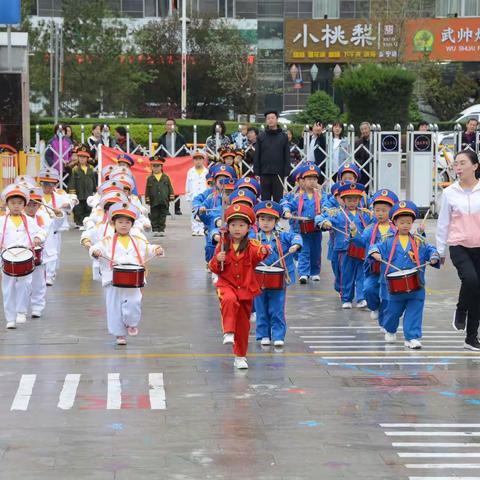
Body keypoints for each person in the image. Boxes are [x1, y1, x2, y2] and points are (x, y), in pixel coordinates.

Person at [90, 202, 164, 345]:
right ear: (114, 224)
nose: (124, 225)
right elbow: (94, 248)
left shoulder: (138, 240)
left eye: (127, 222)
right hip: (113, 278)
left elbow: (148, 248)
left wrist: (156, 249)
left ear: (132, 224)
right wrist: (95, 252)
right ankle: (119, 334)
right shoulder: (107, 240)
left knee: (134, 301)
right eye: (120, 222)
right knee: (114, 306)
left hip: (133, 278)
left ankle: (131, 322)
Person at [370, 201, 440, 349]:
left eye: (408, 222)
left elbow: (430, 249)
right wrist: (375, 253)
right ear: (395, 222)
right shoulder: (387, 241)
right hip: (395, 286)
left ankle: (411, 337)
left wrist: (434, 256)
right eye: (402, 222)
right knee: (392, 311)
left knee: (415, 310)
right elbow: (375, 247)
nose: (405, 225)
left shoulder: (418, 240)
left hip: (416, 283)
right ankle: (390, 329)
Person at [208, 203, 270, 369]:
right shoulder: (222, 245)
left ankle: (240, 356)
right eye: (233, 225)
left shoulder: (251, 245)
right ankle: (228, 331)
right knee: (228, 299)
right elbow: (213, 267)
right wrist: (217, 259)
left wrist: (264, 250)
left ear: (248, 228)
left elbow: (260, 253)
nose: (237, 229)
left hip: (245, 288)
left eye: (241, 225)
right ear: (227, 227)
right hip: (226, 284)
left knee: (243, 325)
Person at [436, 150, 480, 350]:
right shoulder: (449, 192)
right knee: (470, 281)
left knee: (477, 290)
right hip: (458, 244)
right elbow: (443, 223)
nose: (458, 168)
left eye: (462, 163)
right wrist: (440, 250)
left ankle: (471, 338)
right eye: (455, 164)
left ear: (475, 166)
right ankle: (461, 310)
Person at [316, 182, 373, 309]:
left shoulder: (365, 214)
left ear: (359, 200)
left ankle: (361, 298)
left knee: (361, 274)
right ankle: (346, 298)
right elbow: (319, 218)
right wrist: (324, 222)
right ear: (343, 200)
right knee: (346, 275)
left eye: (355, 199)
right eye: (349, 199)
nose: (352, 202)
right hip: (344, 250)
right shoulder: (336, 213)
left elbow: (376, 223)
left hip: (361, 249)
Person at [253, 201, 302, 347]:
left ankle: (278, 335)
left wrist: (295, 245)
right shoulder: (253, 237)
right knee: (261, 308)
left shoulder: (282, 235)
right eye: (262, 219)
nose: (266, 223)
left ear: (276, 221)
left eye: (270, 220)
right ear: (258, 220)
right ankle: (263, 334)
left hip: (278, 279)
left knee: (277, 308)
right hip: (258, 278)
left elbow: (296, 237)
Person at [0, 184, 46, 329]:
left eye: (20, 203)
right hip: (7, 258)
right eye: (13, 203)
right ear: (7, 204)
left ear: (24, 205)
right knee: (8, 288)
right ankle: (10, 318)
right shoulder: (2, 221)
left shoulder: (29, 220)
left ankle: (21, 311)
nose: (16, 206)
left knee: (25, 285)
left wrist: (38, 237)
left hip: (25, 259)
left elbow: (41, 232)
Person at [351, 189, 398, 328]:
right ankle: (374, 307)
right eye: (377, 210)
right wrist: (354, 232)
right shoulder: (370, 229)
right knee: (368, 290)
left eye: (384, 210)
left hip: (390, 270)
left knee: (387, 297)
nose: (380, 214)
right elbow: (361, 243)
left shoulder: (396, 229)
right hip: (373, 269)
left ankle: (385, 324)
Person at [24, 187, 64, 318]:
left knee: (39, 283)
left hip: (40, 256)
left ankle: (37, 307)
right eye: (28, 204)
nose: (31, 208)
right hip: (22, 256)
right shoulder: (19, 218)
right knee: (24, 284)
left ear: (38, 205)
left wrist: (58, 215)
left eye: (34, 205)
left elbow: (56, 226)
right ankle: (22, 309)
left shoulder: (45, 218)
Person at [283, 164, 324, 284]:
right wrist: (287, 211)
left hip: (316, 228)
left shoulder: (321, 196)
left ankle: (315, 272)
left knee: (316, 251)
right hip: (302, 228)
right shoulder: (298, 197)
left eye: (314, 179)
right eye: (309, 179)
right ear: (303, 181)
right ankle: (304, 273)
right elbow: (289, 204)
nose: (312, 182)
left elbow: (327, 205)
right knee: (304, 251)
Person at [254, 111, 290, 202]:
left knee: (278, 199)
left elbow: (287, 154)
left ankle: (278, 216)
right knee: (265, 199)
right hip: (264, 173)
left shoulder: (283, 136)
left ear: (277, 120)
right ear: (266, 121)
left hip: (278, 173)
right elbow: (257, 154)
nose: (270, 120)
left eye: (272, 118)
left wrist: (287, 170)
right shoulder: (261, 136)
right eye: (268, 118)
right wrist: (256, 171)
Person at [157, 118, 187, 215]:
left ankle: (177, 208)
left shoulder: (181, 138)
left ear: (175, 126)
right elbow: (158, 151)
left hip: (177, 165)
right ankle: (166, 208)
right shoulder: (161, 138)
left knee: (176, 186)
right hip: (166, 165)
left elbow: (184, 151)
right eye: (168, 125)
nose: (169, 126)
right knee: (165, 187)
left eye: (171, 124)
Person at [68, 146, 97, 229]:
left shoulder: (91, 169)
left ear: (87, 158)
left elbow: (93, 180)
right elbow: (72, 182)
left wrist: (95, 190)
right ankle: (79, 223)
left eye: (84, 157)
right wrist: (72, 194)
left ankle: (87, 223)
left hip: (89, 193)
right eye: (80, 157)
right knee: (78, 209)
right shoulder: (75, 169)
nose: (82, 159)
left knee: (88, 208)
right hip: (79, 193)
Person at [145, 156, 174, 237]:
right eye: (154, 166)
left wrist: (171, 196)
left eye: (158, 166)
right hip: (154, 200)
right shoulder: (150, 178)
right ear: (151, 167)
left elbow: (170, 187)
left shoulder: (166, 177)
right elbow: (147, 189)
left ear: (161, 166)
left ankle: (161, 229)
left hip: (164, 200)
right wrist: (147, 199)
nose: (156, 168)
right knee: (154, 215)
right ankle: (155, 229)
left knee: (162, 215)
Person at [185, 151, 209, 236]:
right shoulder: (190, 171)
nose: (198, 161)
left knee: (203, 212)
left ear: (203, 160)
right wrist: (188, 195)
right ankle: (195, 229)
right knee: (194, 213)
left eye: (200, 159)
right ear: (193, 161)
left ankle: (202, 229)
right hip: (194, 195)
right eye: (196, 159)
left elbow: (209, 184)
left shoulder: (206, 172)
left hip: (204, 196)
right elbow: (187, 184)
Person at [354, 122, 373, 190]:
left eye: (365, 129)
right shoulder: (358, 142)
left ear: (370, 129)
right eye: (362, 129)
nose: (364, 131)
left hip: (375, 169)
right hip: (363, 170)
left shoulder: (376, 140)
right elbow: (355, 157)